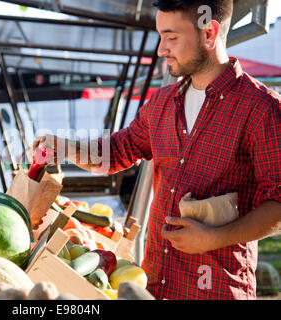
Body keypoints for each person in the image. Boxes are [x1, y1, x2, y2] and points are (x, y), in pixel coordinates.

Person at [33, 0, 281, 300]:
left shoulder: (262, 109)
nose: (162, 49)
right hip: (155, 287)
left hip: (217, 291)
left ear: (209, 33)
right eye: (160, 37)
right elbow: (117, 151)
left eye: (171, 37)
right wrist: (66, 148)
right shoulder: (162, 102)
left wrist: (213, 238)